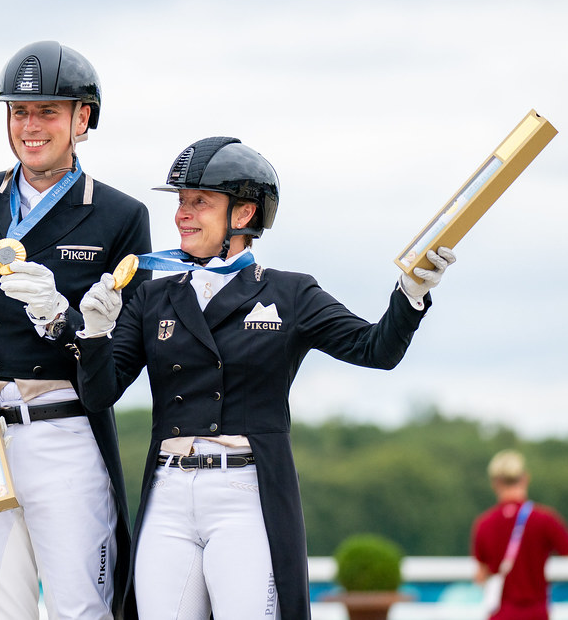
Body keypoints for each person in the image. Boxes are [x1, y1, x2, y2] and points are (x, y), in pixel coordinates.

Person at [65, 136, 456, 619]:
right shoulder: (151, 297)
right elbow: (100, 392)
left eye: (199, 202)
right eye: (182, 203)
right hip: (168, 491)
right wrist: (97, 335)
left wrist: (409, 295)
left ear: (244, 214)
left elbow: (375, 349)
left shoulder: (290, 293)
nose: (182, 214)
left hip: (244, 494)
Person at [0, 40, 151, 619]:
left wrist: (62, 319)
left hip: (67, 431)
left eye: (48, 111)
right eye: (19, 111)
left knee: (80, 610)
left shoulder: (122, 217)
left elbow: (124, 357)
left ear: (83, 118)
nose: (30, 125)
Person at [471, 449, 568, 620]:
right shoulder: (545, 519)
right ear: (525, 478)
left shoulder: (483, 524)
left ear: (496, 483)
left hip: (501, 614)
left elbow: (481, 576)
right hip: (536, 613)